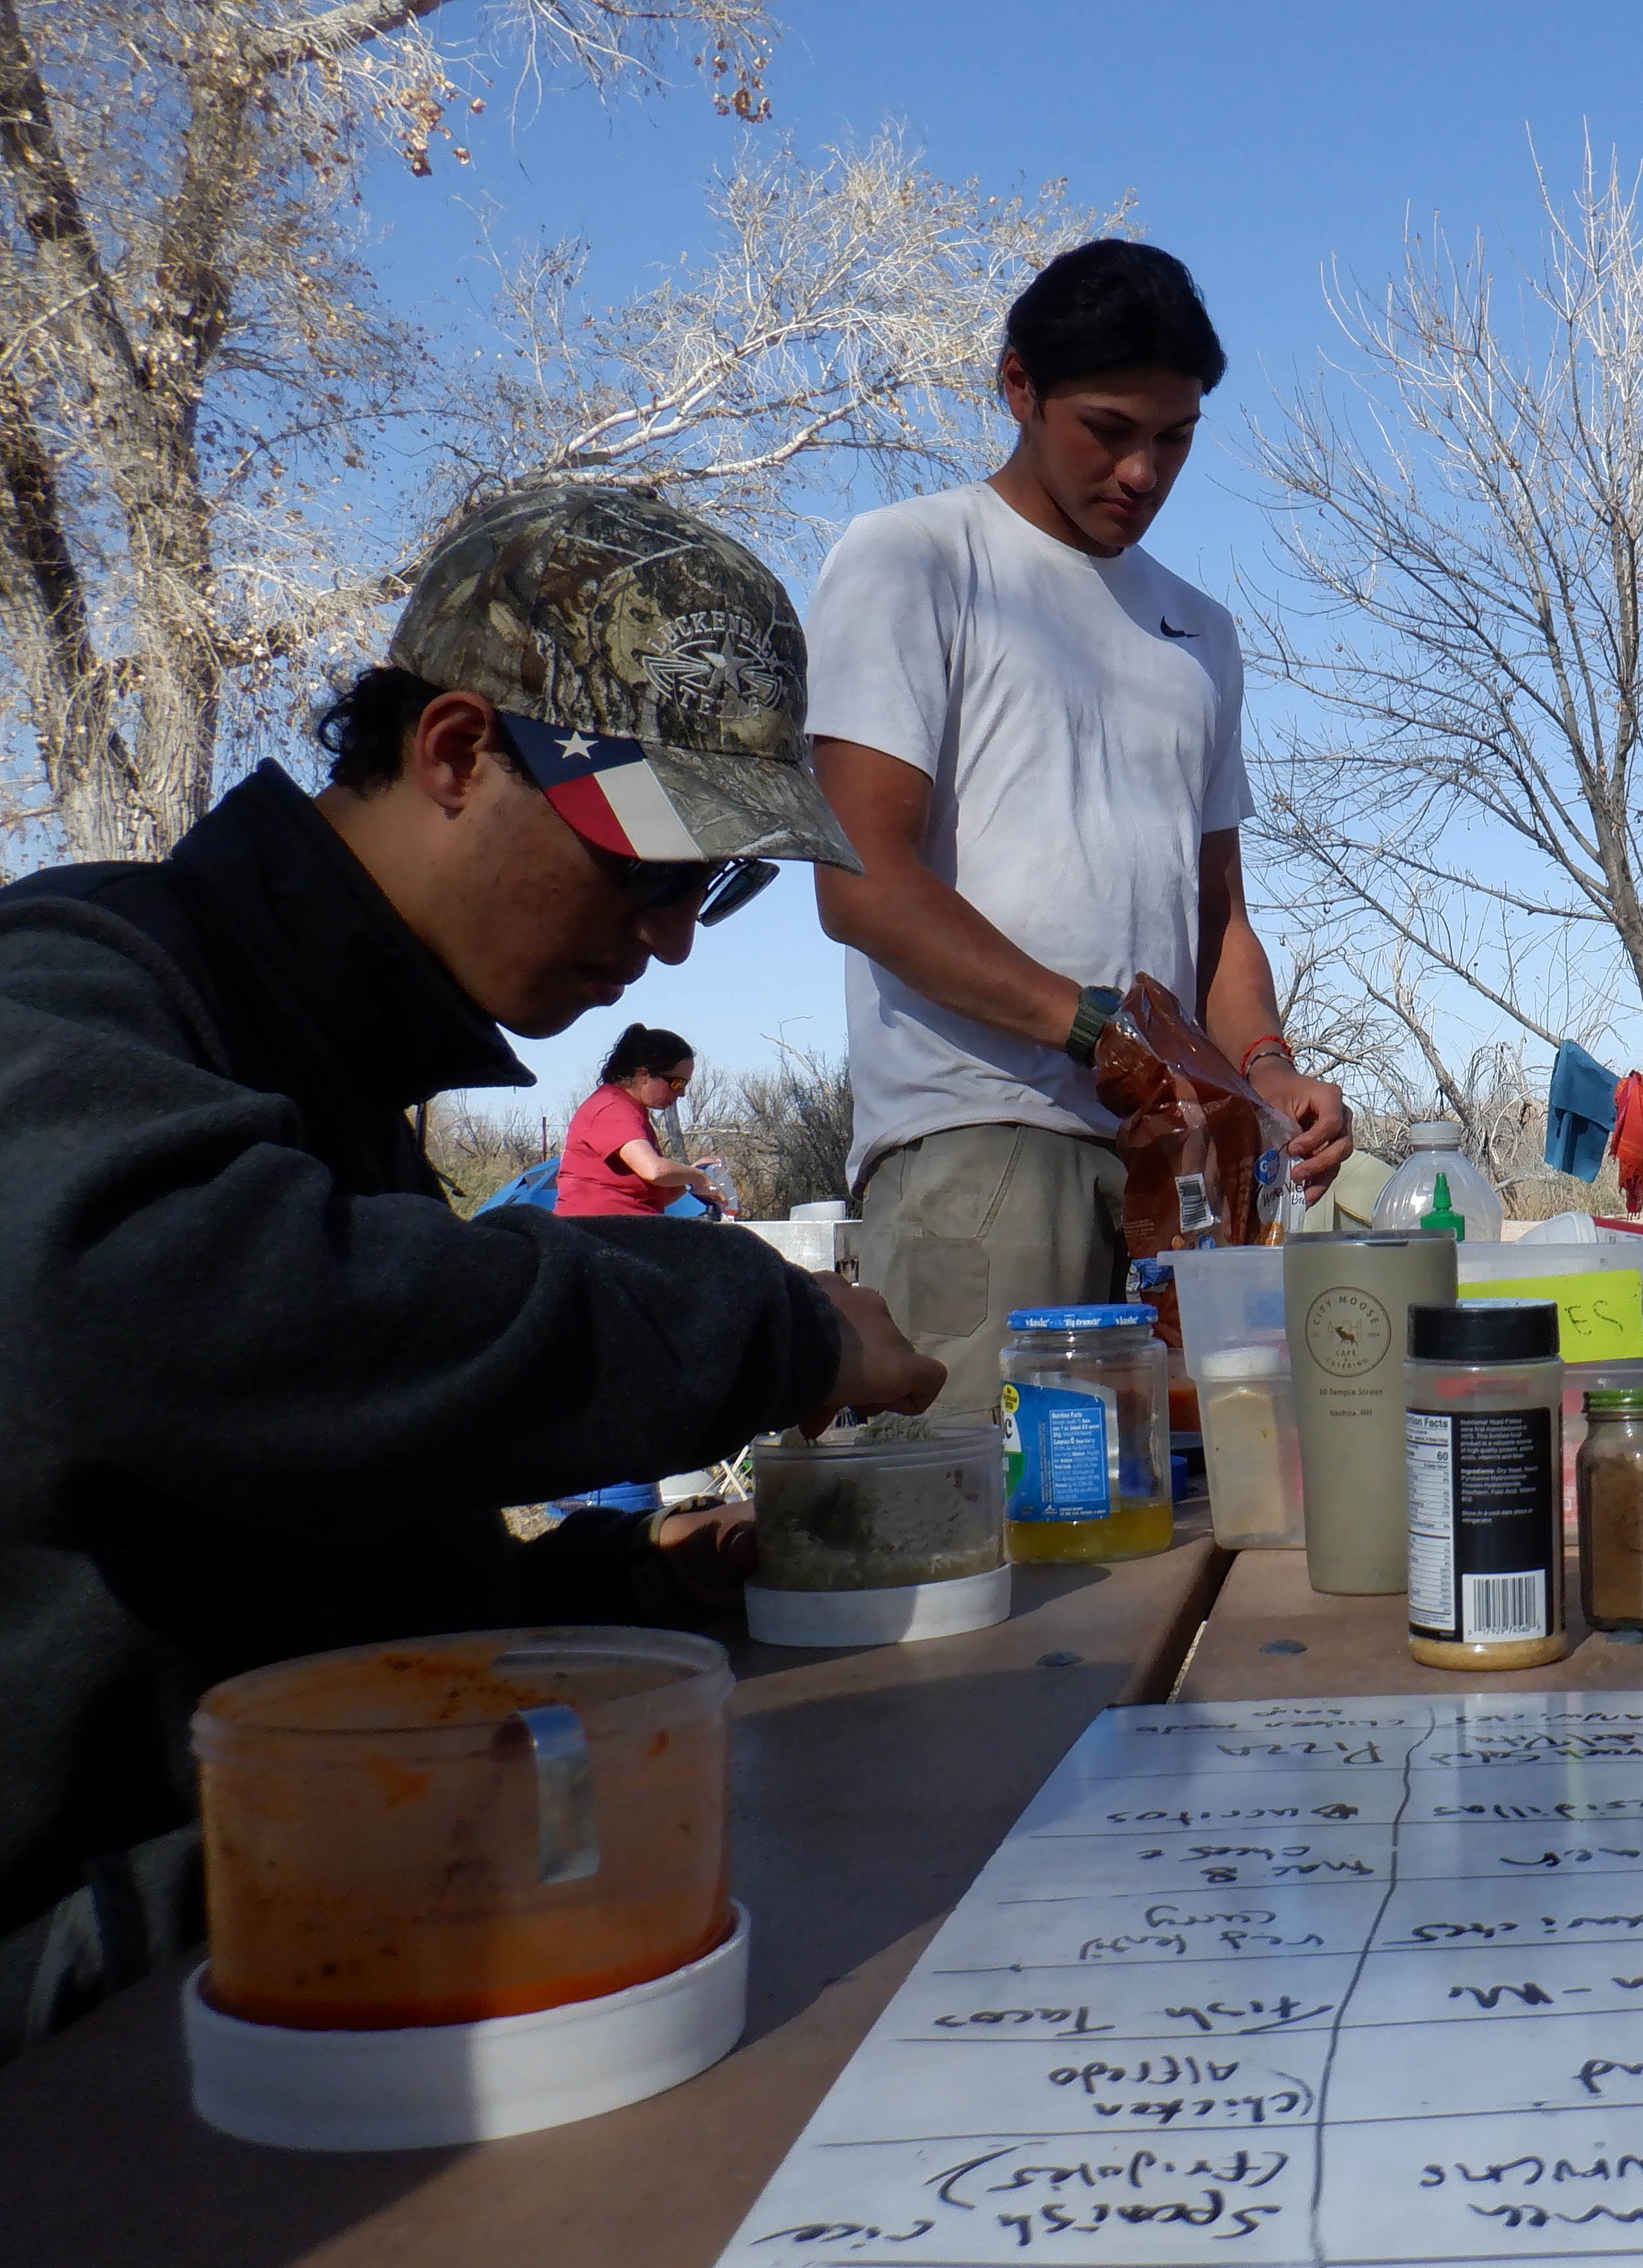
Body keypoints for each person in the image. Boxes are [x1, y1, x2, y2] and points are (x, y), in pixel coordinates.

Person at [0, 484, 946, 2055]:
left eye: (717, 884)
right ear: (453, 752)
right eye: (653, 863)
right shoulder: (79, 982)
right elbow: (167, 1331)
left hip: (307, 1918)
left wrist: (629, 1576)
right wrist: (769, 1318)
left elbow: (307, 1601)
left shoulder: (347, 1085)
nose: (672, 936)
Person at [807, 240, 1352, 1417]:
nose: (1143, 470)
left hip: (1178, 1177)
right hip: (982, 1142)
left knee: (1168, 1541)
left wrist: (1268, 1073)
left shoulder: (1197, 628)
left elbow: (1218, 921)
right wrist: (1103, 1040)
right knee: (971, 1555)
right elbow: (859, 881)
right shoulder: (912, 557)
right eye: (1109, 429)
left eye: (1176, 437)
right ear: (1017, 388)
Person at [558, 1022, 730, 1217]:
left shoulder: (631, 1111)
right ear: (644, 1075)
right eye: (676, 1083)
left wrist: (692, 1177)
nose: (682, 1093)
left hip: (623, 1227)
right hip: (594, 1231)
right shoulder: (611, 1108)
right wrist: (698, 1177)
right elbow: (654, 1171)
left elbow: (652, 1196)